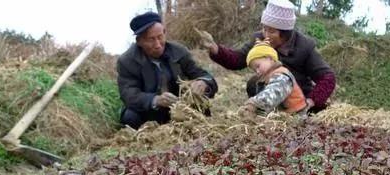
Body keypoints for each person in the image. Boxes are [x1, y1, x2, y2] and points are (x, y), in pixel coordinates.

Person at [197, 0, 335, 113]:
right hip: (270, 93)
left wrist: (311, 101)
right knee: (253, 83)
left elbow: (327, 77)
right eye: (264, 28)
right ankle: (262, 114)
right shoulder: (259, 39)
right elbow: (238, 59)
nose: (266, 35)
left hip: (298, 97)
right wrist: (215, 49)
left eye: (272, 31)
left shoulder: (304, 46)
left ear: (285, 34)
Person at [117, 11, 218, 129]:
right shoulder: (127, 61)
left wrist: (203, 82)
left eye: (160, 37)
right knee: (130, 118)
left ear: (164, 33)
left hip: (181, 108)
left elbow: (204, 75)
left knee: (202, 106)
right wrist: (155, 100)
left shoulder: (179, 51)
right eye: (151, 40)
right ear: (139, 41)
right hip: (150, 113)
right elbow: (128, 94)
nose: (158, 44)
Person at [239, 41, 308, 119]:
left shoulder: (282, 76)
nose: (257, 71)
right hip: (283, 117)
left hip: (296, 116)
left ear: (270, 58)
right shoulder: (267, 78)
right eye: (255, 70)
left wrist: (254, 103)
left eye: (258, 66)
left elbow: (272, 94)